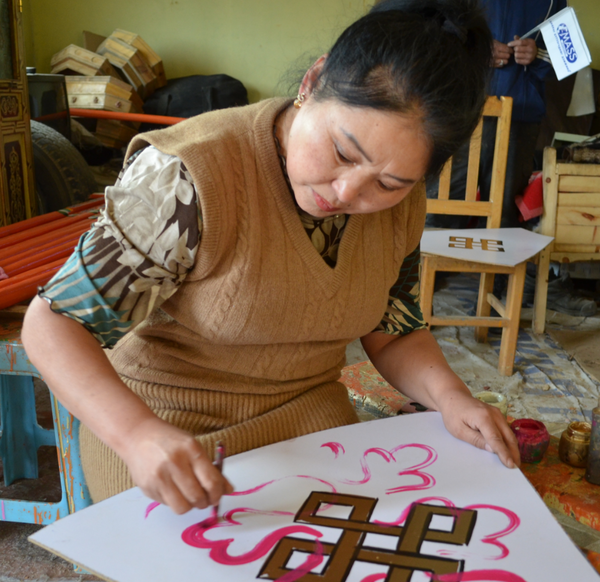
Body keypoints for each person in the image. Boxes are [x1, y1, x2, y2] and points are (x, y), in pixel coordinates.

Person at [22, 0, 520, 516]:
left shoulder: (401, 205)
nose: (348, 192)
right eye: (343, 153)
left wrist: (451, 398)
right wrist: (137, 435)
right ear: (313, 81)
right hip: (170, 434)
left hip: (310, 426)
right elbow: (54, 323)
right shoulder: (189, 175)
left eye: (389, 183)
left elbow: (393, 324)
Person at [425, 0, 597, 317]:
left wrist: (537, 54)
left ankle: (493, 302)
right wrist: (478, 49)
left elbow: (567, 55)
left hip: (521, 114)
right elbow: (433, 32)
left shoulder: (553, 1)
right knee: (443, 204)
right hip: (461, 107)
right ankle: (414, 300)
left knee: (504, 210)